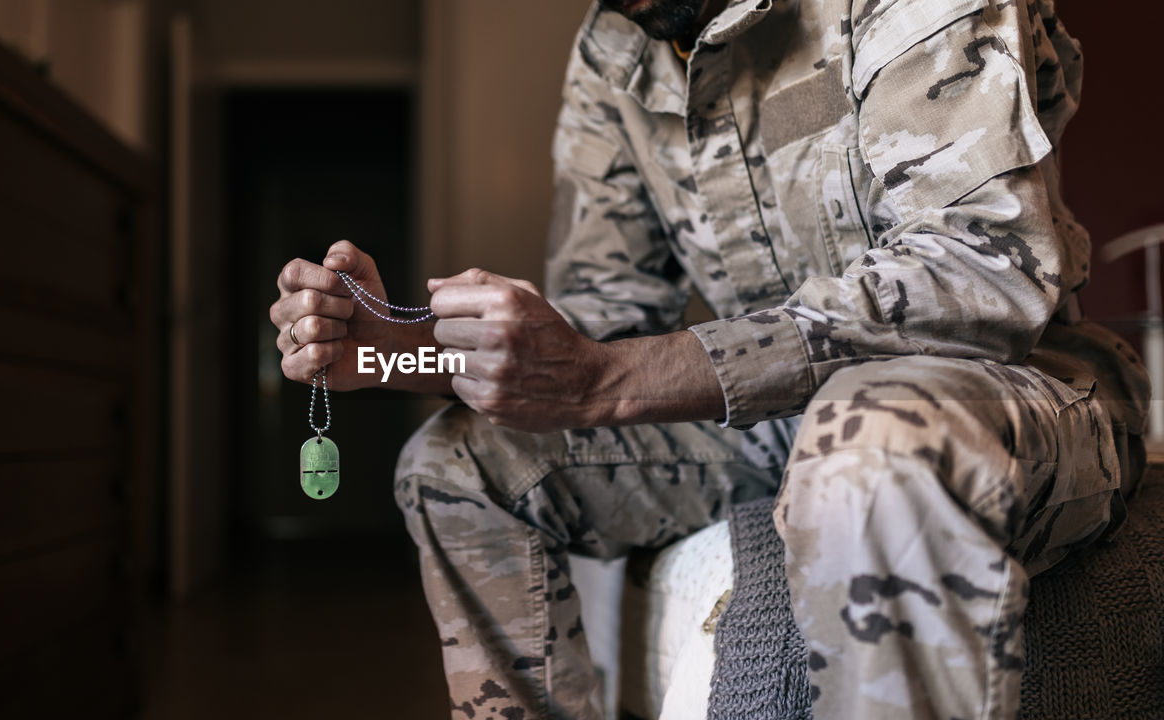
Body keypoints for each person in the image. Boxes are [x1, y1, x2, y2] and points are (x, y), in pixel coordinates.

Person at [269, 0, 1149, 717]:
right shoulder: (614, 48)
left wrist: (603, 379)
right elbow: (604, 323)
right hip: (765, 423)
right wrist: (401, 354)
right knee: (455, 461)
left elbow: (979, 270)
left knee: (865, 437)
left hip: (1004, 386)